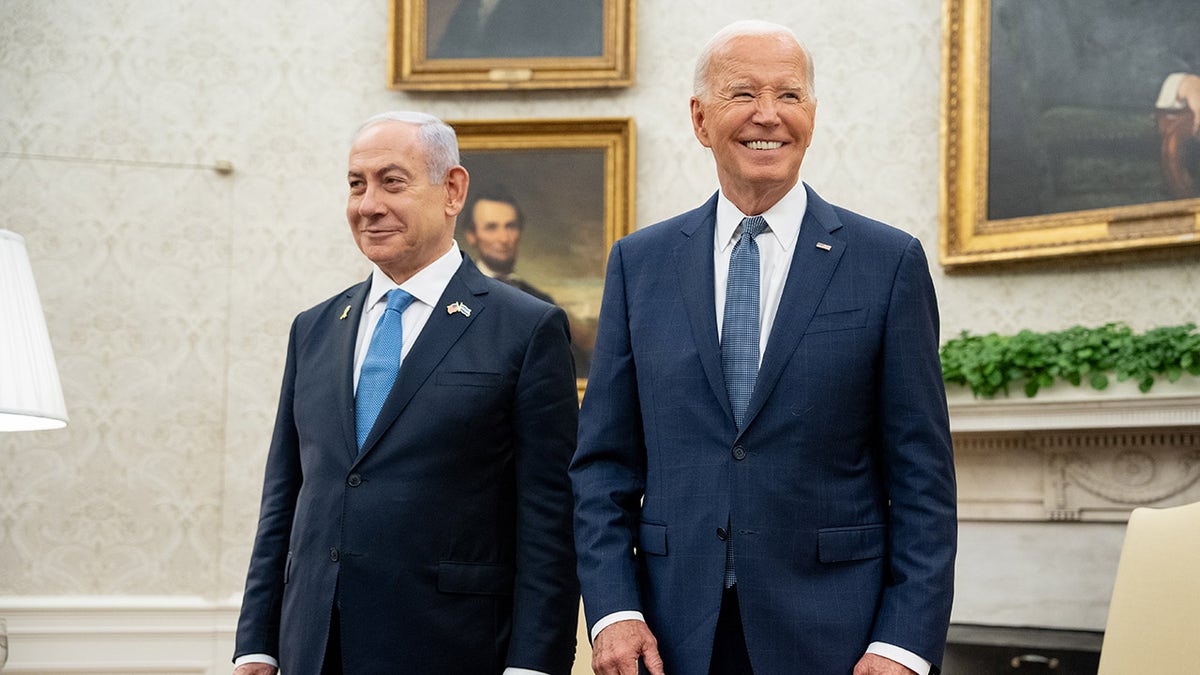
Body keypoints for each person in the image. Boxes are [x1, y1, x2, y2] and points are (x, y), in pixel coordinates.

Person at [570, 20, 957, 675]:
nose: (768, 116)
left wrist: (903, 644)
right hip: (670, 637)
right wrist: (614, 611)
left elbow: (923, 481)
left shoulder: (887, 262)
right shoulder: (640, 263)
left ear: (812, 113)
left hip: (836, 637)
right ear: (699, 118)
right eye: (743, 93)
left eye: (790, 95)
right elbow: (604, 469)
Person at [232, 111, 580, 675]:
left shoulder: (526, 328)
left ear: (453, 190)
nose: (368, 204)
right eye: (356, 184)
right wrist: (257, 646)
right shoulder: (314, 329)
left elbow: (549, 519)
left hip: (452, 649)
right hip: (314, 649)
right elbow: (285, 499)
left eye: (392, 182)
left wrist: (533, 664)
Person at [462, 185, 555, 305]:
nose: (504, 238)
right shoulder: (455, 292)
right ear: (471, 235)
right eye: (491, 227)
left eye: (510, 226)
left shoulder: (542, 302)